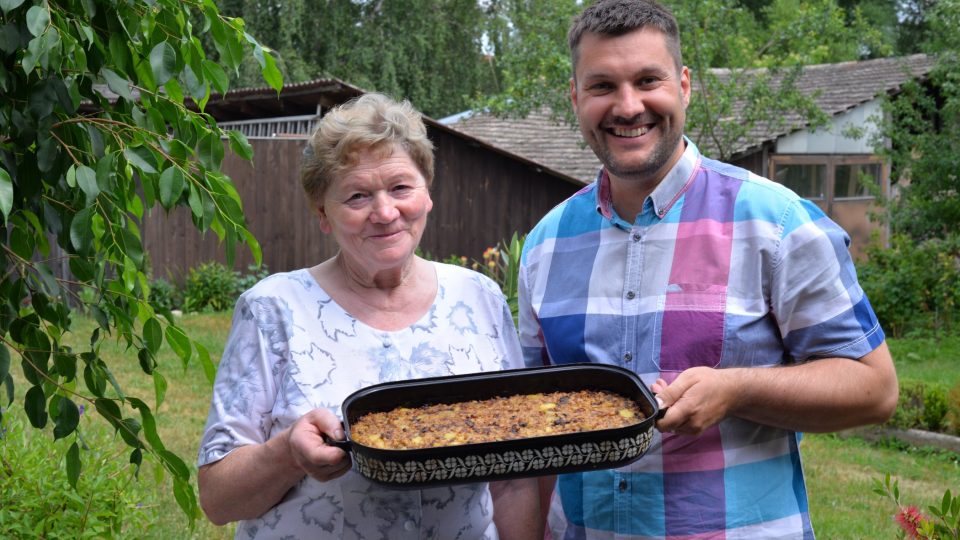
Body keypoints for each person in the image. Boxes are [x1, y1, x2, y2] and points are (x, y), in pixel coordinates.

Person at [517, 1, 899, 538]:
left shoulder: (777, 222)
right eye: (603, 86)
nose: (628, 106)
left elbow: (875, 389)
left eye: (648, 79)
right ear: (575, 98)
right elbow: (532, 429)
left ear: (684, 85)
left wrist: (737, 389)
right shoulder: (546, 246)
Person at [197, 92, 541, 540]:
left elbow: (513, 476)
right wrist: (287, 453)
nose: (384, 213)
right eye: (358, 196)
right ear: (324, 214)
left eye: (401, 187)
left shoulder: (479, 298)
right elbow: (218, 501)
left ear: (427, 193)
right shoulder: (274, 309)